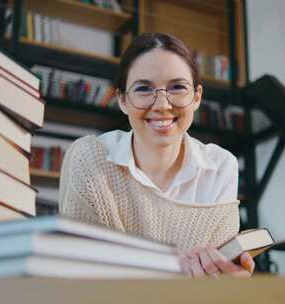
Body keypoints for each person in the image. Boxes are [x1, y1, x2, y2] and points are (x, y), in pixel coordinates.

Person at [59, 32, 255, 278]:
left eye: (178, 87)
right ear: (122, 99)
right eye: (143, 88)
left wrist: (230, 279)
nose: (162, 104)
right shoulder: (89, 158)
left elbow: (212, 284)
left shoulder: (220, 166)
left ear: (196, 97)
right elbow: (81, 272)